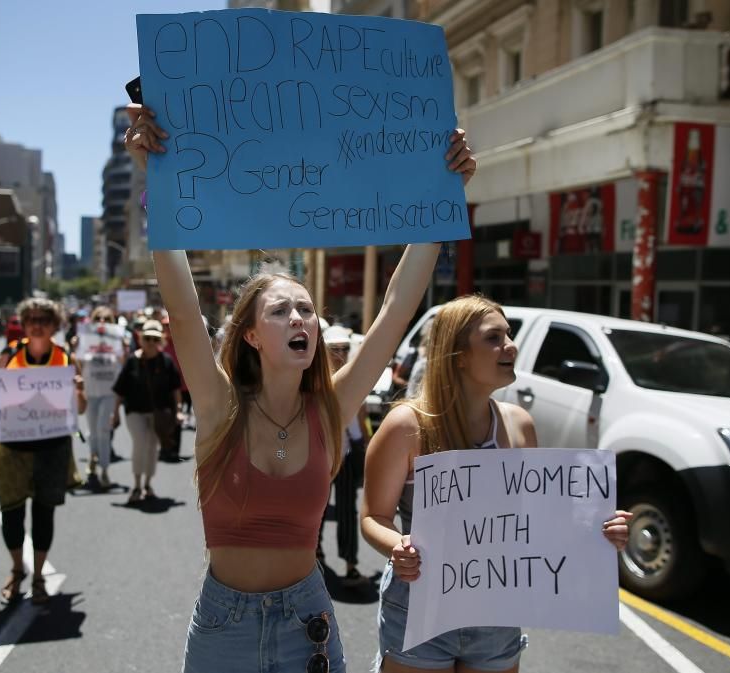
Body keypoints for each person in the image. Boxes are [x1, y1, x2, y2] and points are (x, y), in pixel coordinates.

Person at [124, 102, 475, 673]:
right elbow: (185, 315)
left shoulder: (332, 409)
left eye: (307, 311)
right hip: (224, 627)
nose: (300, 320)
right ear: (253, 336)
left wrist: (444, 193)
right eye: (282, 310)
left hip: (307, 620)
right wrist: (155, 180)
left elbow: (394, 311)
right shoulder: (217, 408)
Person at [360, 295, 633, 672]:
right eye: (494, 337)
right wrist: (399, 546)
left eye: (509, 334)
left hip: (497, 610)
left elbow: (534, 522)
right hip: (421, 603)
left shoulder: (519, 425)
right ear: (459, 355)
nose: (511, 345)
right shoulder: (406, 426)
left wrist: (597, 533)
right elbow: (373, 516)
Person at [0, 298, 87, 605]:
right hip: (12, 448)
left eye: (44, 319)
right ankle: (18, 569)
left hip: (52, 447)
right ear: (23, 322)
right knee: (12, 513)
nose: (36, 324)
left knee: (44, 513)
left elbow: (80, 408)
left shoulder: (65, 357)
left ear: (54, 325)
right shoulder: (9, 355)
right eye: (31, 319)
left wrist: (78, 390)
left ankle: (38, 576)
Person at [318, 325, 371, 588]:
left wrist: (366, 442)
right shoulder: (314, 379)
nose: (340, 354)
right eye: (334, 349)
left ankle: (350, 564)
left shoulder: (354, 377)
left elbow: (359, 417)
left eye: (345, 349)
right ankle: (314, 558)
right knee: (315, 508)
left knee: (348, 510)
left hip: (348, 453)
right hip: (320, 454)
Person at [111, 319, 183, 502]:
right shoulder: (132, 362)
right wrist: (115, 413)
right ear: (141, 339)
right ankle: (136, 484)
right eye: (147, 338)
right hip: (134, 411)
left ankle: (148, 483)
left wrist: (179, 410)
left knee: (152, 447)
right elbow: (120, 390)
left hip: (158, 412)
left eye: (155, 339)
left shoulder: (166, 362)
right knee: (140, 443)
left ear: (160, 341)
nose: (151, 342)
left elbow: (175, 388)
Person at [79, 305, 126, 488]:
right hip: (91, 391)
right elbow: (79, 362)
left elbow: (122, 362)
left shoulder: (117, 339)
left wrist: (118, 346)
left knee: (103, 430)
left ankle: (104, 469)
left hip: (109, 392)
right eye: (98, 319)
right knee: (92, 430)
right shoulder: (85, 339)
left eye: (106, 320)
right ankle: (92, 457)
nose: (102, 322)